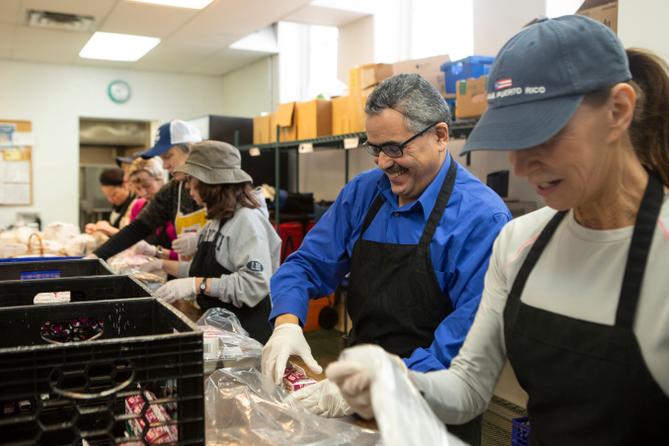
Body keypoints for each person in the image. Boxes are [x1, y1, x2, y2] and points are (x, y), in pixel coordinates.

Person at [326, 15, 669, 445]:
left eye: (542, 138)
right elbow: (468, 388)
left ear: (618, 111)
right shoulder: (519, 243)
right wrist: (397, 383)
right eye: (511, 144)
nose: (521, 167)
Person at [262, 73, 511, 442]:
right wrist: (287, 323)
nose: (382, 163)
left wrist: (380, 386)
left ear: (440, 136)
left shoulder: (481, 219)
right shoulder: (364, 194)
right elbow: (305, 265)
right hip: (351, 392)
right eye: (374, 148)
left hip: (431, 409)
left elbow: (461, 349)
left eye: (394, 148)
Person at [149, 141, 281, 343]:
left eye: (191, 180)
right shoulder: (217, 219)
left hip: (248, 338)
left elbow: (252, 285)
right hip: (223, 332)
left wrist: (196, 285)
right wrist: (161, 264)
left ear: (210, 183)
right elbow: (202, 272)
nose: (187, 187)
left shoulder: (247, 221)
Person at [89, 119, 206, 260]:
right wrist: (95, 256)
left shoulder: (220, 188)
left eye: (168, 157)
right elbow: (138, 228)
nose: (165, 166)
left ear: (191, 149)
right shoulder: (174, 190)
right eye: (162, 159)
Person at [125, 157, 179, 261]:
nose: (143, 193)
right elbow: (130, 241)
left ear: (161, 179)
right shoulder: (138, 206)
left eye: (147, 186)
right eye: (137, 188)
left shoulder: (178, 208)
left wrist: (156, 251)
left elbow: (189, 259)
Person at [85, 167, 135, 236]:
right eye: (107, 196)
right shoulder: (117, 205)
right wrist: (97, 228)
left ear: (125, 186)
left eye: (113, 195)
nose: (110, 200)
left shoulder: (135, 204)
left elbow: (133, 236)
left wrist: (109, 229)